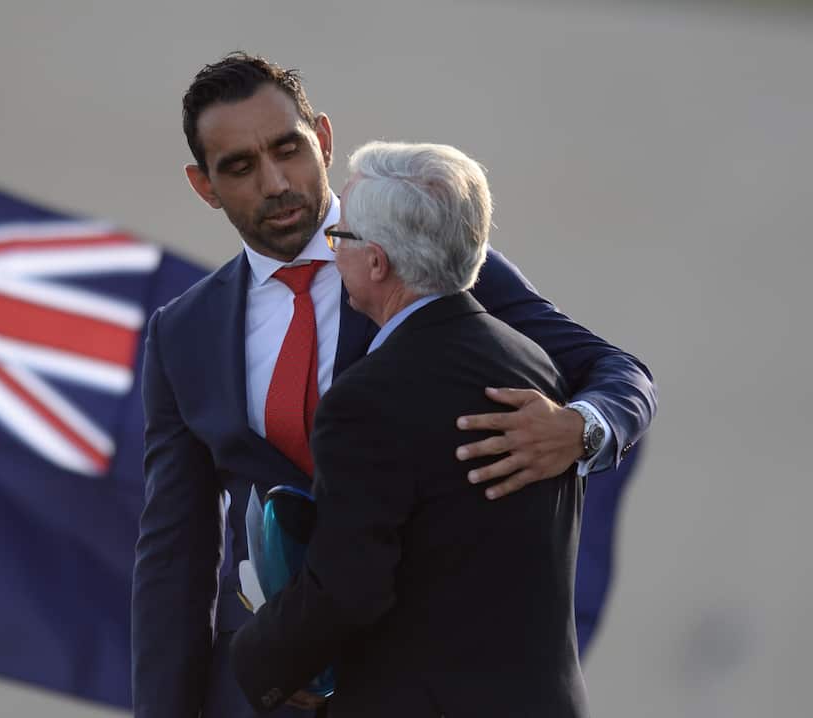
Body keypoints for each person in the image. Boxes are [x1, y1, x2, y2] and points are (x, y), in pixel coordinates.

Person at [132, 52, 653, 718]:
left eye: (287, 150)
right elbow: (175, 553)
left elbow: (619, 373)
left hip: (427, 673)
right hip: (267, 686)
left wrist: (582, 429)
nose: (274, 182)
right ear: (204, 185)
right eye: (238, 167)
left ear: (322, 139)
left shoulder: (430, 252)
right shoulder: (183, 333)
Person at [230, 141, 588, 716]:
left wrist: (257, 658)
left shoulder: (366, 398)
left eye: (339, 238)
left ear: (376, 263)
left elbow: (349, 589)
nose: (332, 252)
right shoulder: (533, 366)